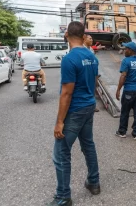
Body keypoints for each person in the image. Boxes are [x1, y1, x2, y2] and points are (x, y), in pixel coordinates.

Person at [49, 22, 100, 206]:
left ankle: (63, 196)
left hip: (76, 109)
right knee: (88, 145)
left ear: (67, 35)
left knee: (61, 152)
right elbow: (94, 82)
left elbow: (67, 92)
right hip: (88, 106)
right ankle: (94, 183)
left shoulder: (70, 59)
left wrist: (59, 122)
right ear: (83, 34)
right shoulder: (92, 56)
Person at [84, 34, 101, 113]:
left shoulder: (91, 49)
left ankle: (92, 106)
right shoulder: (82, 49)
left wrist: (96, 75)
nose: (92, 40)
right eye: (90, 38)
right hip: (85, 73)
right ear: (85, 39)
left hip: (93, 73)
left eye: (92, 39)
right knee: (85, 89)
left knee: (93, 89)